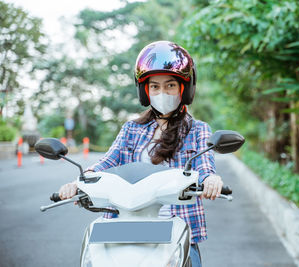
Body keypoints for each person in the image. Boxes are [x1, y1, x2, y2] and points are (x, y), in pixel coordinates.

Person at [58, 40, 223, 266]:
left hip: (175, 229)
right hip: (126, 226)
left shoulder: (197, 130)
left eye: (170, 85)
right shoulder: (131, 129)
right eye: (154, 86)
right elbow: (107, 162)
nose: (162, 92)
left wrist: (211, 179)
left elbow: (204, 166)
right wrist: (79, 182)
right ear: (145, 91)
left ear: (184, 88)